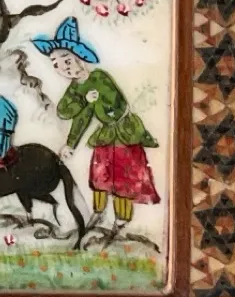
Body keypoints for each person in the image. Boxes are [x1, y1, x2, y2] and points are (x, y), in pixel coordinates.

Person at [31, 16, 160, 228]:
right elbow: (68, 113)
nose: (63, 68)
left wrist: (92, 101)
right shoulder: (76, 88)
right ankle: (99, 214)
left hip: (124, 133)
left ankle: (122, 220)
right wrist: (71, 144)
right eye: (56, 65)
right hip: (106, 135)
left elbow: (116, 105)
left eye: (66, 60)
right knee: (100, 175)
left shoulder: (100, 77)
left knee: (122, 179)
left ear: (79, 57)